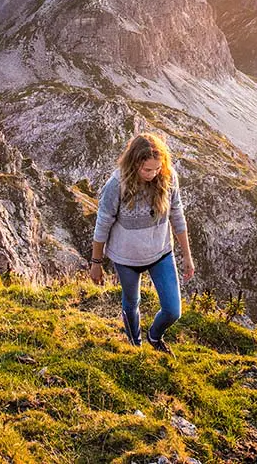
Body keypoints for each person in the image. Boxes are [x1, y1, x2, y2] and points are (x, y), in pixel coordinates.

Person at [89, 132, 195, 354]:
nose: (153, 173)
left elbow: (177, 216)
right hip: (126, 257)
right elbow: (102, 225)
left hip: (161, 252)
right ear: (134, 163)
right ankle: (135, 346)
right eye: (147, 169)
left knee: (173, 310)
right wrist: (96, 263)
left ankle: (154, 337)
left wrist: (187, 255)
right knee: (131, 301)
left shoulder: (168, 178)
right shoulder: (116, 184)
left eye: (157, 168)